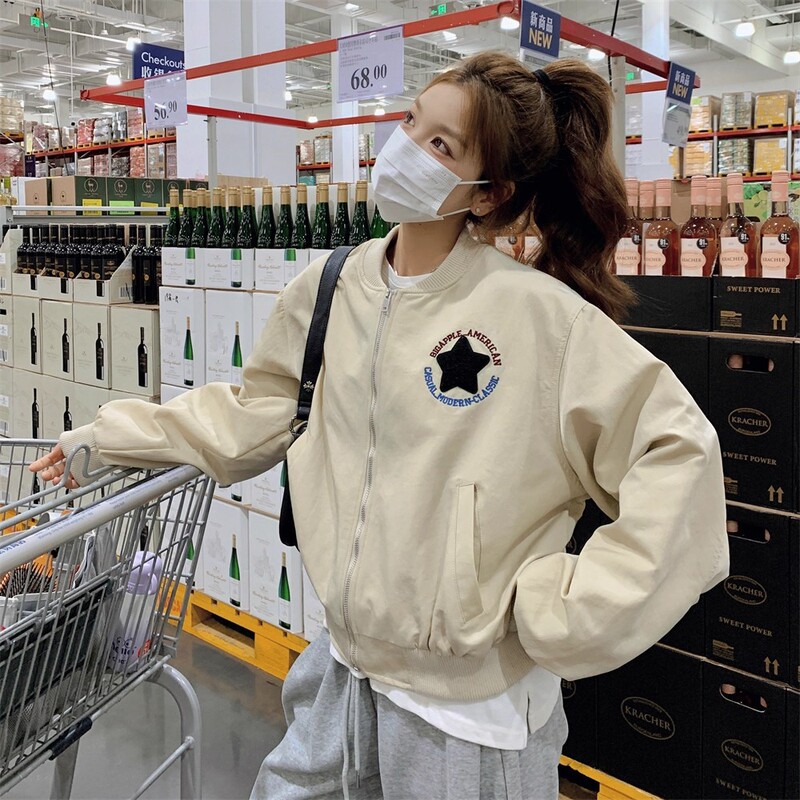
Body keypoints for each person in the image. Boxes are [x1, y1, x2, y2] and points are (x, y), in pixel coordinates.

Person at [31, 52, 728, 800]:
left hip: (468, 714)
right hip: (342, 668)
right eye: (410, 123)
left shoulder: (539, 319)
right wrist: (105, 439)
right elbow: (252, 415)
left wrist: (568, 614)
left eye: (441, 145)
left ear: (489, 193)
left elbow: (676, 454)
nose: (406, 150)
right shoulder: (332, 286)